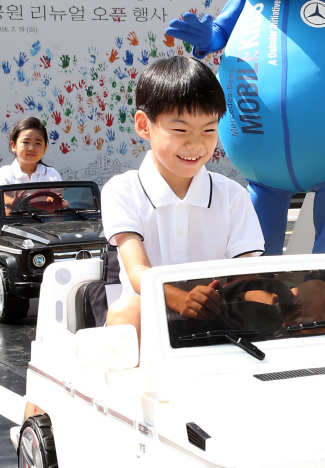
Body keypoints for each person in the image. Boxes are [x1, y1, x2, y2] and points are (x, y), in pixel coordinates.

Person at [102, 56, 265, 342]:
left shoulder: (233, 195)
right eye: (180, 130)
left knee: (309, 296)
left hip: (218, 318)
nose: (196, 145)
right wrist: (181, 299)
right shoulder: (122, 190)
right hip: (149, 320)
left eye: (209, 130)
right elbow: (137, 269)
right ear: (144, 125)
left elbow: (246, 273)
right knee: (127, 312)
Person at [0, 116, 61, 219]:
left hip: (45, 226)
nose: (31, 148)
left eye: (38, 143)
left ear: (45, 148)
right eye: (26, 142)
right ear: (14, 145)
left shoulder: (51, 174)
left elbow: (60, 197)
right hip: (13, 225)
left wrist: (54, 200)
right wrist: (12, 202)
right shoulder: (6, 172)